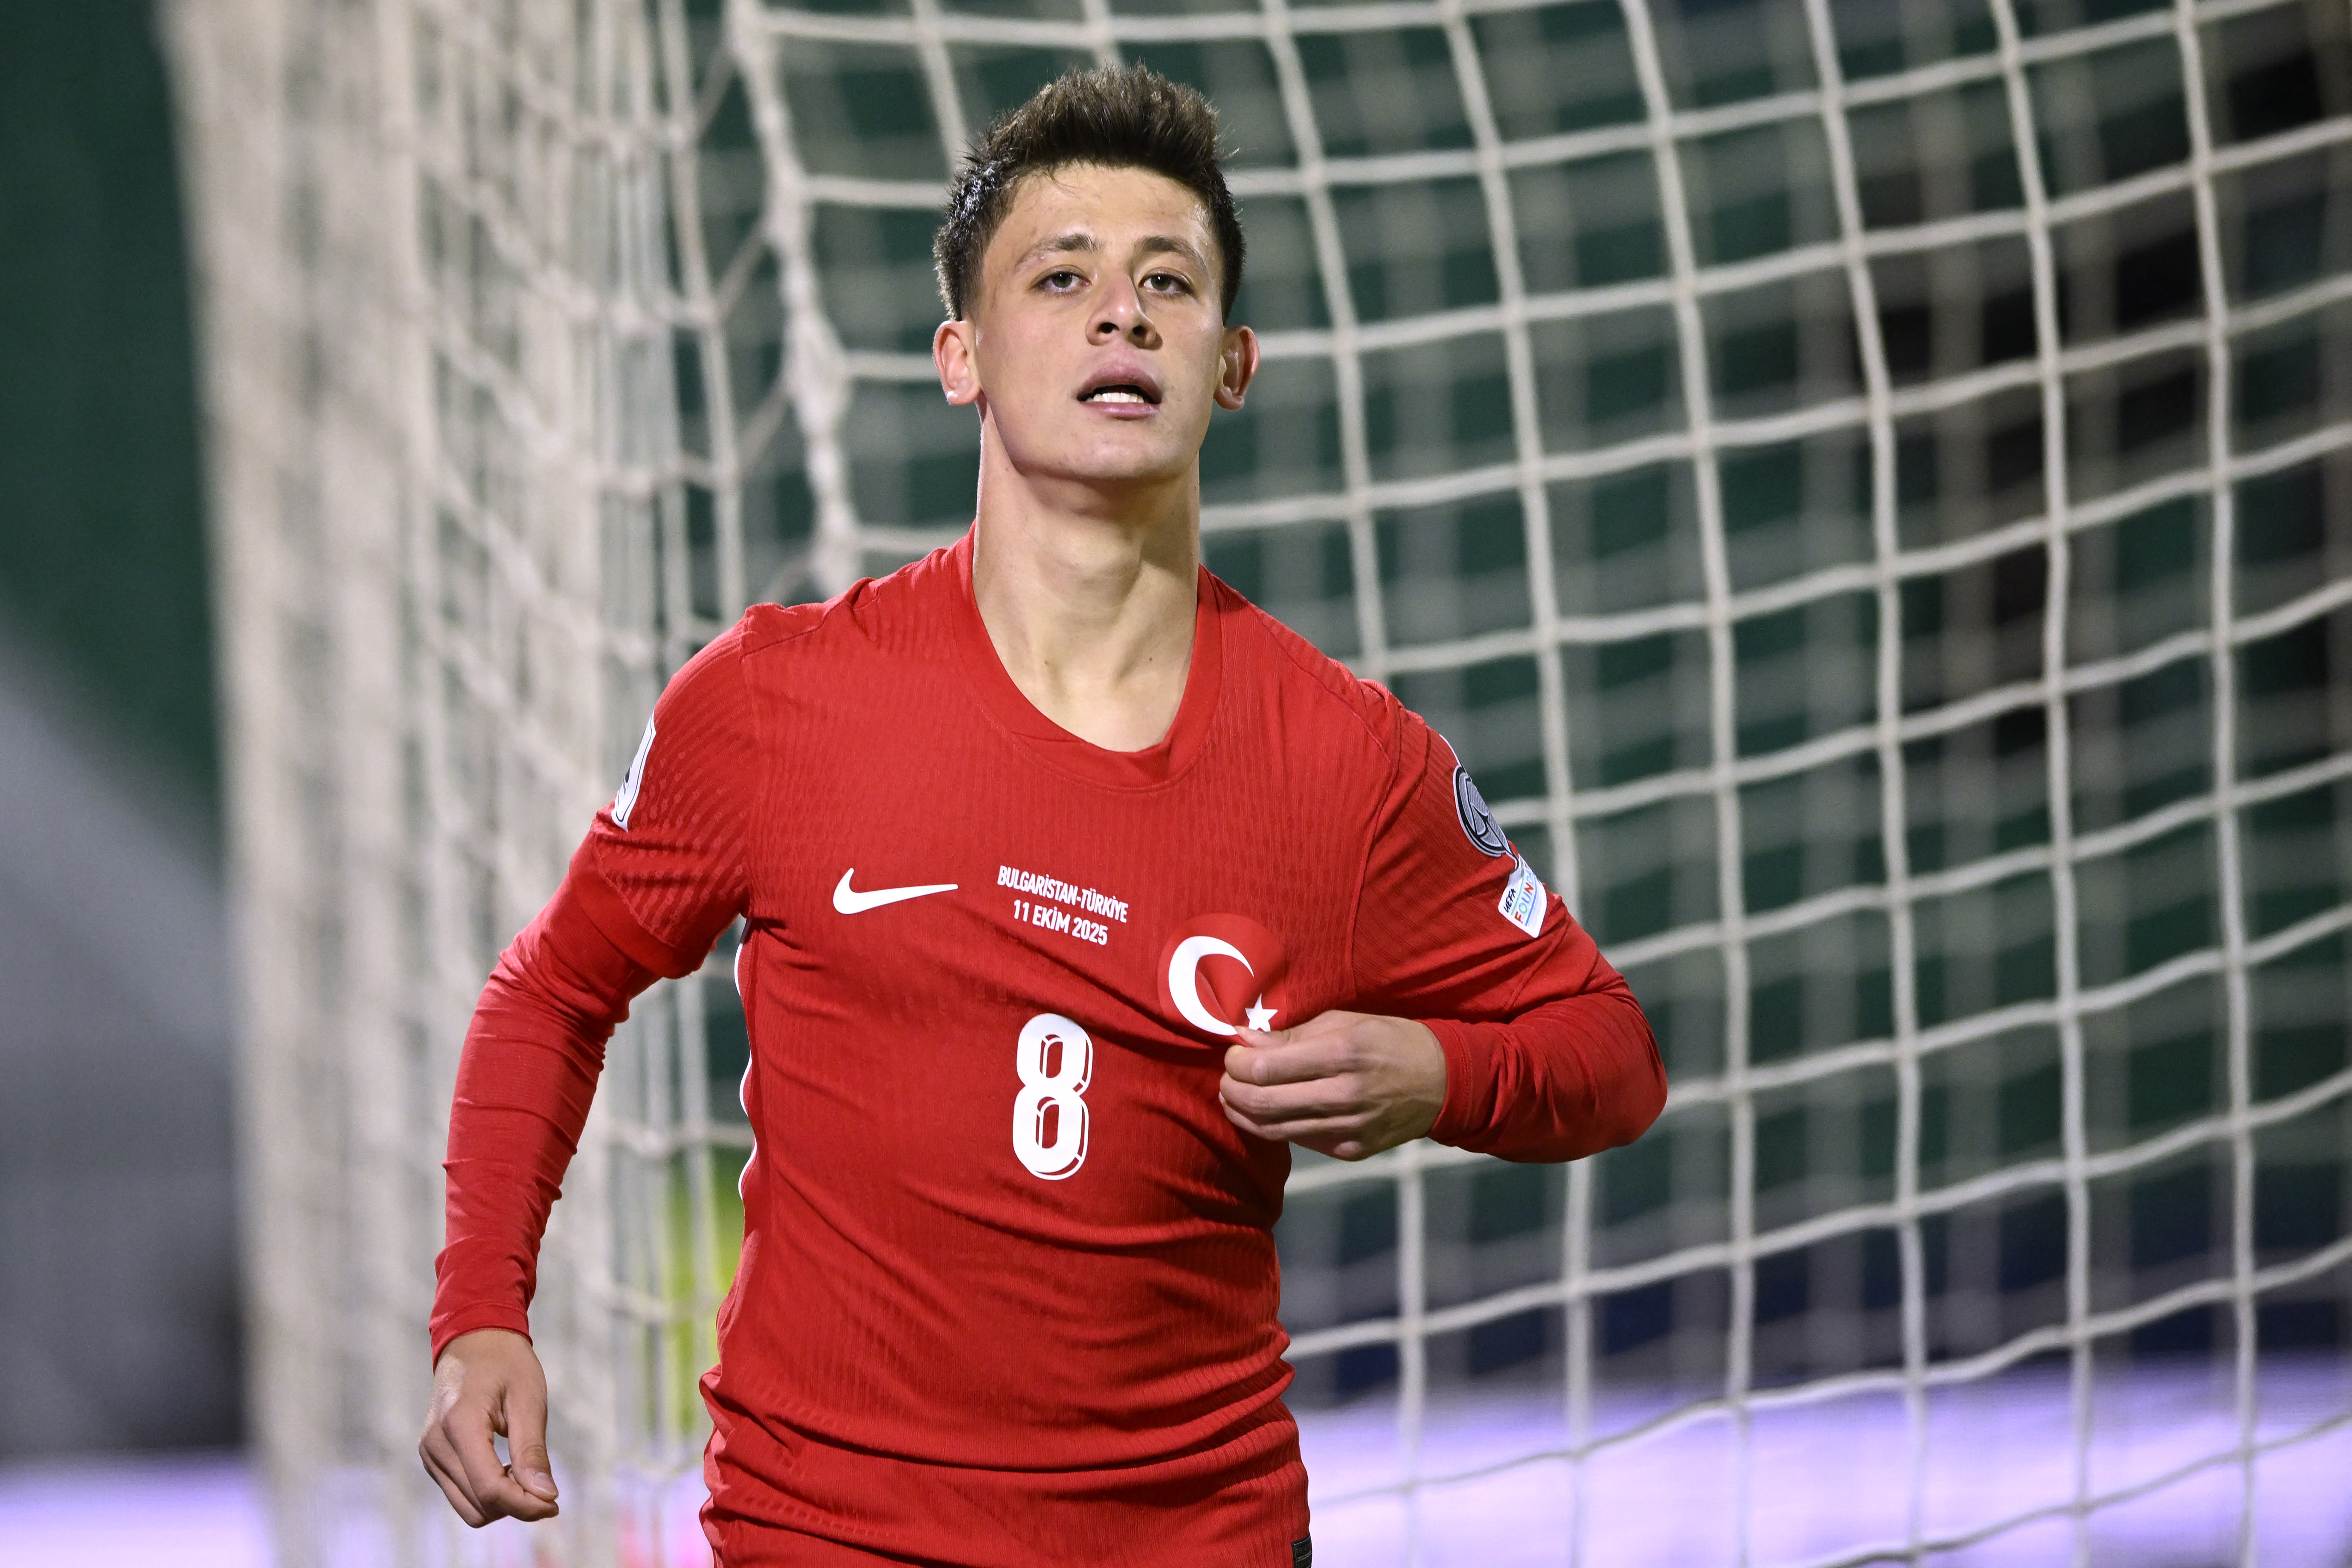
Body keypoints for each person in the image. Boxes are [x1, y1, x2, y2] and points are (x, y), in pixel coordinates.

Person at [418, 64, 1666, 1568]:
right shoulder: (771, 702)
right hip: (833, 1537)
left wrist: (1435, 1070)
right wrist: (483, 1308)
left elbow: (1607, 1053)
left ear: (1232, 364)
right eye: (1059, 276)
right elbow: (554, 988)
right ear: (961, 354)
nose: (1120, 313)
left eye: (1168, 282)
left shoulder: (1348, 761)